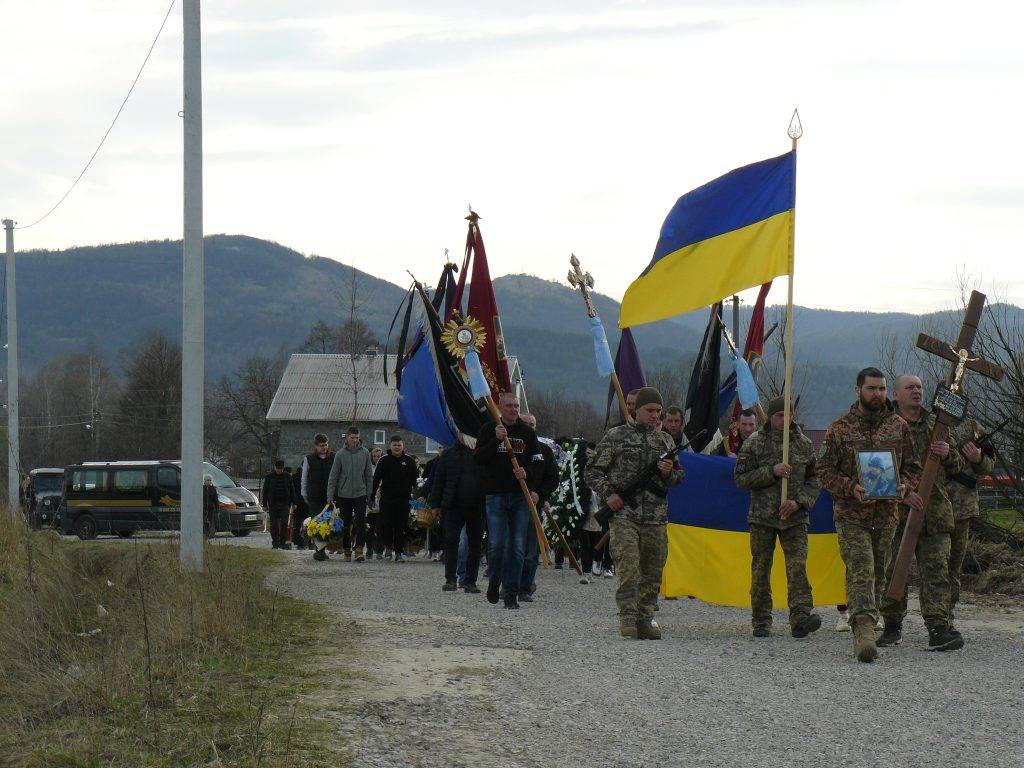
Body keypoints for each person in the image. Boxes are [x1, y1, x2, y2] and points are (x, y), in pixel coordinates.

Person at [817, 367, 922, 663]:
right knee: (861, 567)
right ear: (858, 390)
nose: (877, 394)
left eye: (882, 389)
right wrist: (850, 487)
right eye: (871, 389)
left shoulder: (899, 427)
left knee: (878, 573)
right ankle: (863, 630)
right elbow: (823, 469)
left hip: (887, 514)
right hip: (852, 514)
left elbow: (914, 466)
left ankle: (866, 619)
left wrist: (904, 485)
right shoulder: (840, 428)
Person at [585, 387, 684, 640]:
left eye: (659, 412)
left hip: (656, 517)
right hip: (625, 515)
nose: (655, 416)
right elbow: (592, 472)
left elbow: (677, 479)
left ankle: (645, 618)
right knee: (629, 569)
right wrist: (610, 494)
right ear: (636, 409)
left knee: (652, 571)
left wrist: (667, 471)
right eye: (650, 410)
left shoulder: (666, 441)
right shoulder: (616, 436)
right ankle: (627, 617)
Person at [878, 374, 965, 652]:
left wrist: (949, 453)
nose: (916, 391)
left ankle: (938, 627)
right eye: (910, 387)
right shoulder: (885, 425)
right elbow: (875, 467)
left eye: (919, 386)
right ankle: (891, 625)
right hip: (896, 512)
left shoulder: (937, 424)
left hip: (935, 511)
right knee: (893, 570)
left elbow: (958, 466)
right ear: (896, 393)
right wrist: (901, 494)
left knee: (937, 572)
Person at [734, 396, 822, 638]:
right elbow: (740, 479)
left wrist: (799, 502)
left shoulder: (804, 444)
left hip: (794, 518)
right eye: (779, 416)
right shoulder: (755, 443)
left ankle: (801, 617)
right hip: (762, 518)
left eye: (788, 415)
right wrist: (770, 472)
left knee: (797, 568)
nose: (784, 420)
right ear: (770, 417)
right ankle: (761, 620)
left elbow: (815, 479)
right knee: (761, 569)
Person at [475, 391, 545, 609]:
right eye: (509, 406)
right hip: (495, 495)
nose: (513, 409)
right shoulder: (489, 430)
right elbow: (478, 458)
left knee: (517, 547)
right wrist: (495, 440)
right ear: (500, 408)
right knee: (497, 545)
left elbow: (538, 461)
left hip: (519, 496)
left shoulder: (527, 433)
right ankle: (494, 579)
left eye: (516, 406)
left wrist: (528, 473)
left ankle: (512, 593)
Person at [946, 419, 994, 619]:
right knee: (932, 564)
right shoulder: (929, 423)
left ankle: (946, 613)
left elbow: (989, 466)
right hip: (931, 504)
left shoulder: (974, 427)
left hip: (961, 507)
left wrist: (978, 458)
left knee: (954, 565)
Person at [429, 438, 485, 592]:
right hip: (453, 505)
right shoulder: (448, 454)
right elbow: (439, 481)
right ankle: (450, 579)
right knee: (451, 542)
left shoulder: (481, 452)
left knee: (475, 545)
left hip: (477, 505)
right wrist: (435, 505)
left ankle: (470, 581)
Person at [518, 414, 560, 602]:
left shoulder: (544, 451)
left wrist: (540, 494)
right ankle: (509, 584)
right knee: (509, 547)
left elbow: (553, 478)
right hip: (511, 502)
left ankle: (525, 586)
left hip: (533, 505)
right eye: (525, 424)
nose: (529, 427)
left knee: (530, 550)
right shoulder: (510, 449)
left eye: (532, 425)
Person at [327, 426, 375, 562]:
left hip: (360, 493)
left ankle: (359, 549)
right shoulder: (340, 454)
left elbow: (368, 475)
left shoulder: (365, 453)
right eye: (352, 437)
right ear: (347, 438)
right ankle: (347, 549)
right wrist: (330, 495)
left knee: (361, 522)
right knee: (345, 523)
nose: (354, 440)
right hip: (344, 494)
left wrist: (369, 494)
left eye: (357, 438)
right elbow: (333, 476)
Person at [372, 435, 420, 563]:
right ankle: (388, 547)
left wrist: (418, 497)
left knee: (401, 526)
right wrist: (371, 497)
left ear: (403, 446)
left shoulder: (409, 461)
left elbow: (416, 481)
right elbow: (376, 480)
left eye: (399, 445)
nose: (397, 447)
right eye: (394, 445)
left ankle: (398, 552)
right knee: (386, 525)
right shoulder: (383, 460)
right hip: (387, 500)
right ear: (390, 446)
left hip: (404, 500)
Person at [261, 459, 295, 549]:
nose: (279, 470)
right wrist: (264, 504)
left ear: (283, 468)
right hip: (273, 504)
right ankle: (275, 543)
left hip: (285, 503)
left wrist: (294, 502)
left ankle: (283, 542)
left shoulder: (288, 477)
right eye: (277, 468)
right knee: (273, 524)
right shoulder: (269, 477)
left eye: (281, 468)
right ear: (274, 467)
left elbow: (292, 491)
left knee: (284, 523)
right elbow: (265, 491)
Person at [366, 447, 384, 558]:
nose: (376, 458)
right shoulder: (368, 469)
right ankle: (369, 548)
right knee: (369, 527)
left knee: (380, 527)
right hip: (370, 500)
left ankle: (379, 550)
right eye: (374, 456)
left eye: (378, 456)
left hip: (382, 500)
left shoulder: (384, 467)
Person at [290, 465, 309, 550]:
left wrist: (294, 502)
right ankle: (308, 542)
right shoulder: (309, 476)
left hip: (297, 504)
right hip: (307, 503)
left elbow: (292, 490)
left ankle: (299, 542)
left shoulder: (294, 477)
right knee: (307, 523)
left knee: (297, 524)